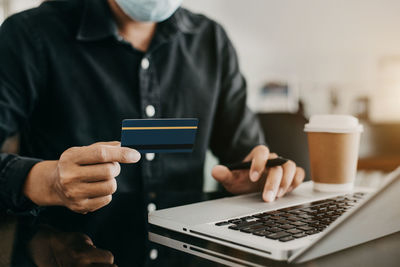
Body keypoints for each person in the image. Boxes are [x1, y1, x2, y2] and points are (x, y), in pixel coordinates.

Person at [0, 0, 304, 259]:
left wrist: (260, 178)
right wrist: (48, 181)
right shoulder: (29, 36)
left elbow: (246, 159)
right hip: (68, 254)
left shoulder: (211, 41)